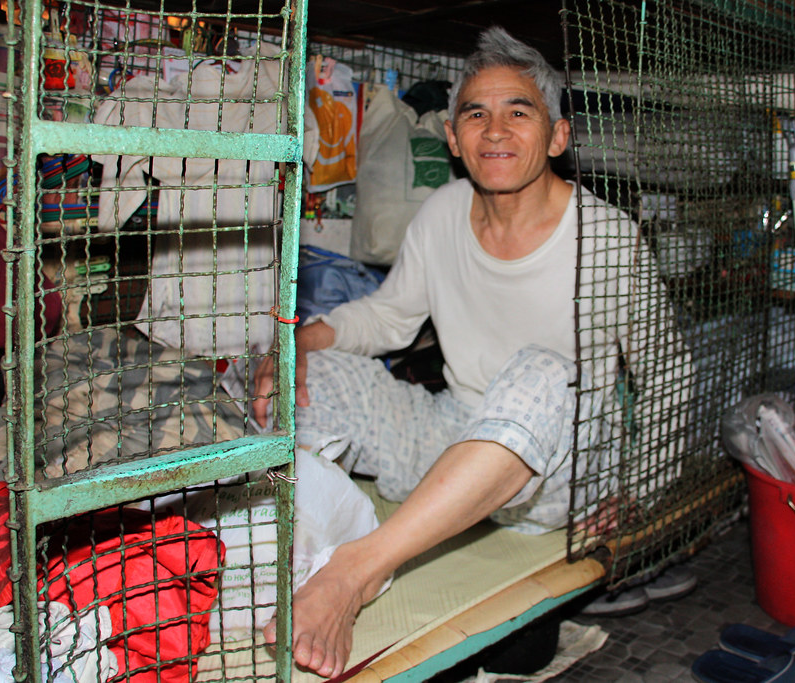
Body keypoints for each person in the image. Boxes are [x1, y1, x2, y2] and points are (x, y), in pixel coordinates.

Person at [252, 26, 690, 677]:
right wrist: (297, 344)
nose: (495, 130)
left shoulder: (607, 237)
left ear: (558, 136)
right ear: (454, 140)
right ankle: (300, 558)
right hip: (455, 435)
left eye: (519, 111)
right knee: (320, 375)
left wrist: (641, 490)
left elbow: (667, 373)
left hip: (560, 470)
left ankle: (356, 569)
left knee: (543, 370)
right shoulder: (443, 212)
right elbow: (388, 316)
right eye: (476, 114)